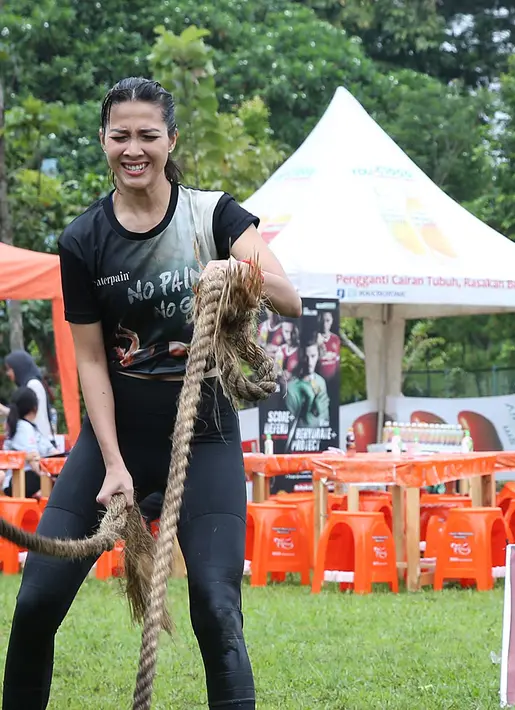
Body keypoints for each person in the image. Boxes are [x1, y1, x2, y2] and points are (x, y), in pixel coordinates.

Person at [3, 77, 301, 709]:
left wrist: (235, 270)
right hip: (119, 436)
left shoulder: (215, 215)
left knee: (217, 609)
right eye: (120, 136)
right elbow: (89, 363)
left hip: (206, 433)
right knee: (35, 603)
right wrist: (112, 465)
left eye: (147, 135)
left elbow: (289, 296)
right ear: (103, 142)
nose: (133, 149)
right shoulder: (83, 241)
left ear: (171, 140)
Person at [3, 387, 56, 497]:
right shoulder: (23, 427)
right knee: (47, 478)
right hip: (17, 481)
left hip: (26, 477)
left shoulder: (31, 427)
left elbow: (52, 452)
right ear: (35, 407)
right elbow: (33, 459)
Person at [4, 350, 55, 441]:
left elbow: (26, 415)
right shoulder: (27, 385)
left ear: (18, 368)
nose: (8, 373)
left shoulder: (33, 385)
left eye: (9, 369)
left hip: (39, 442)